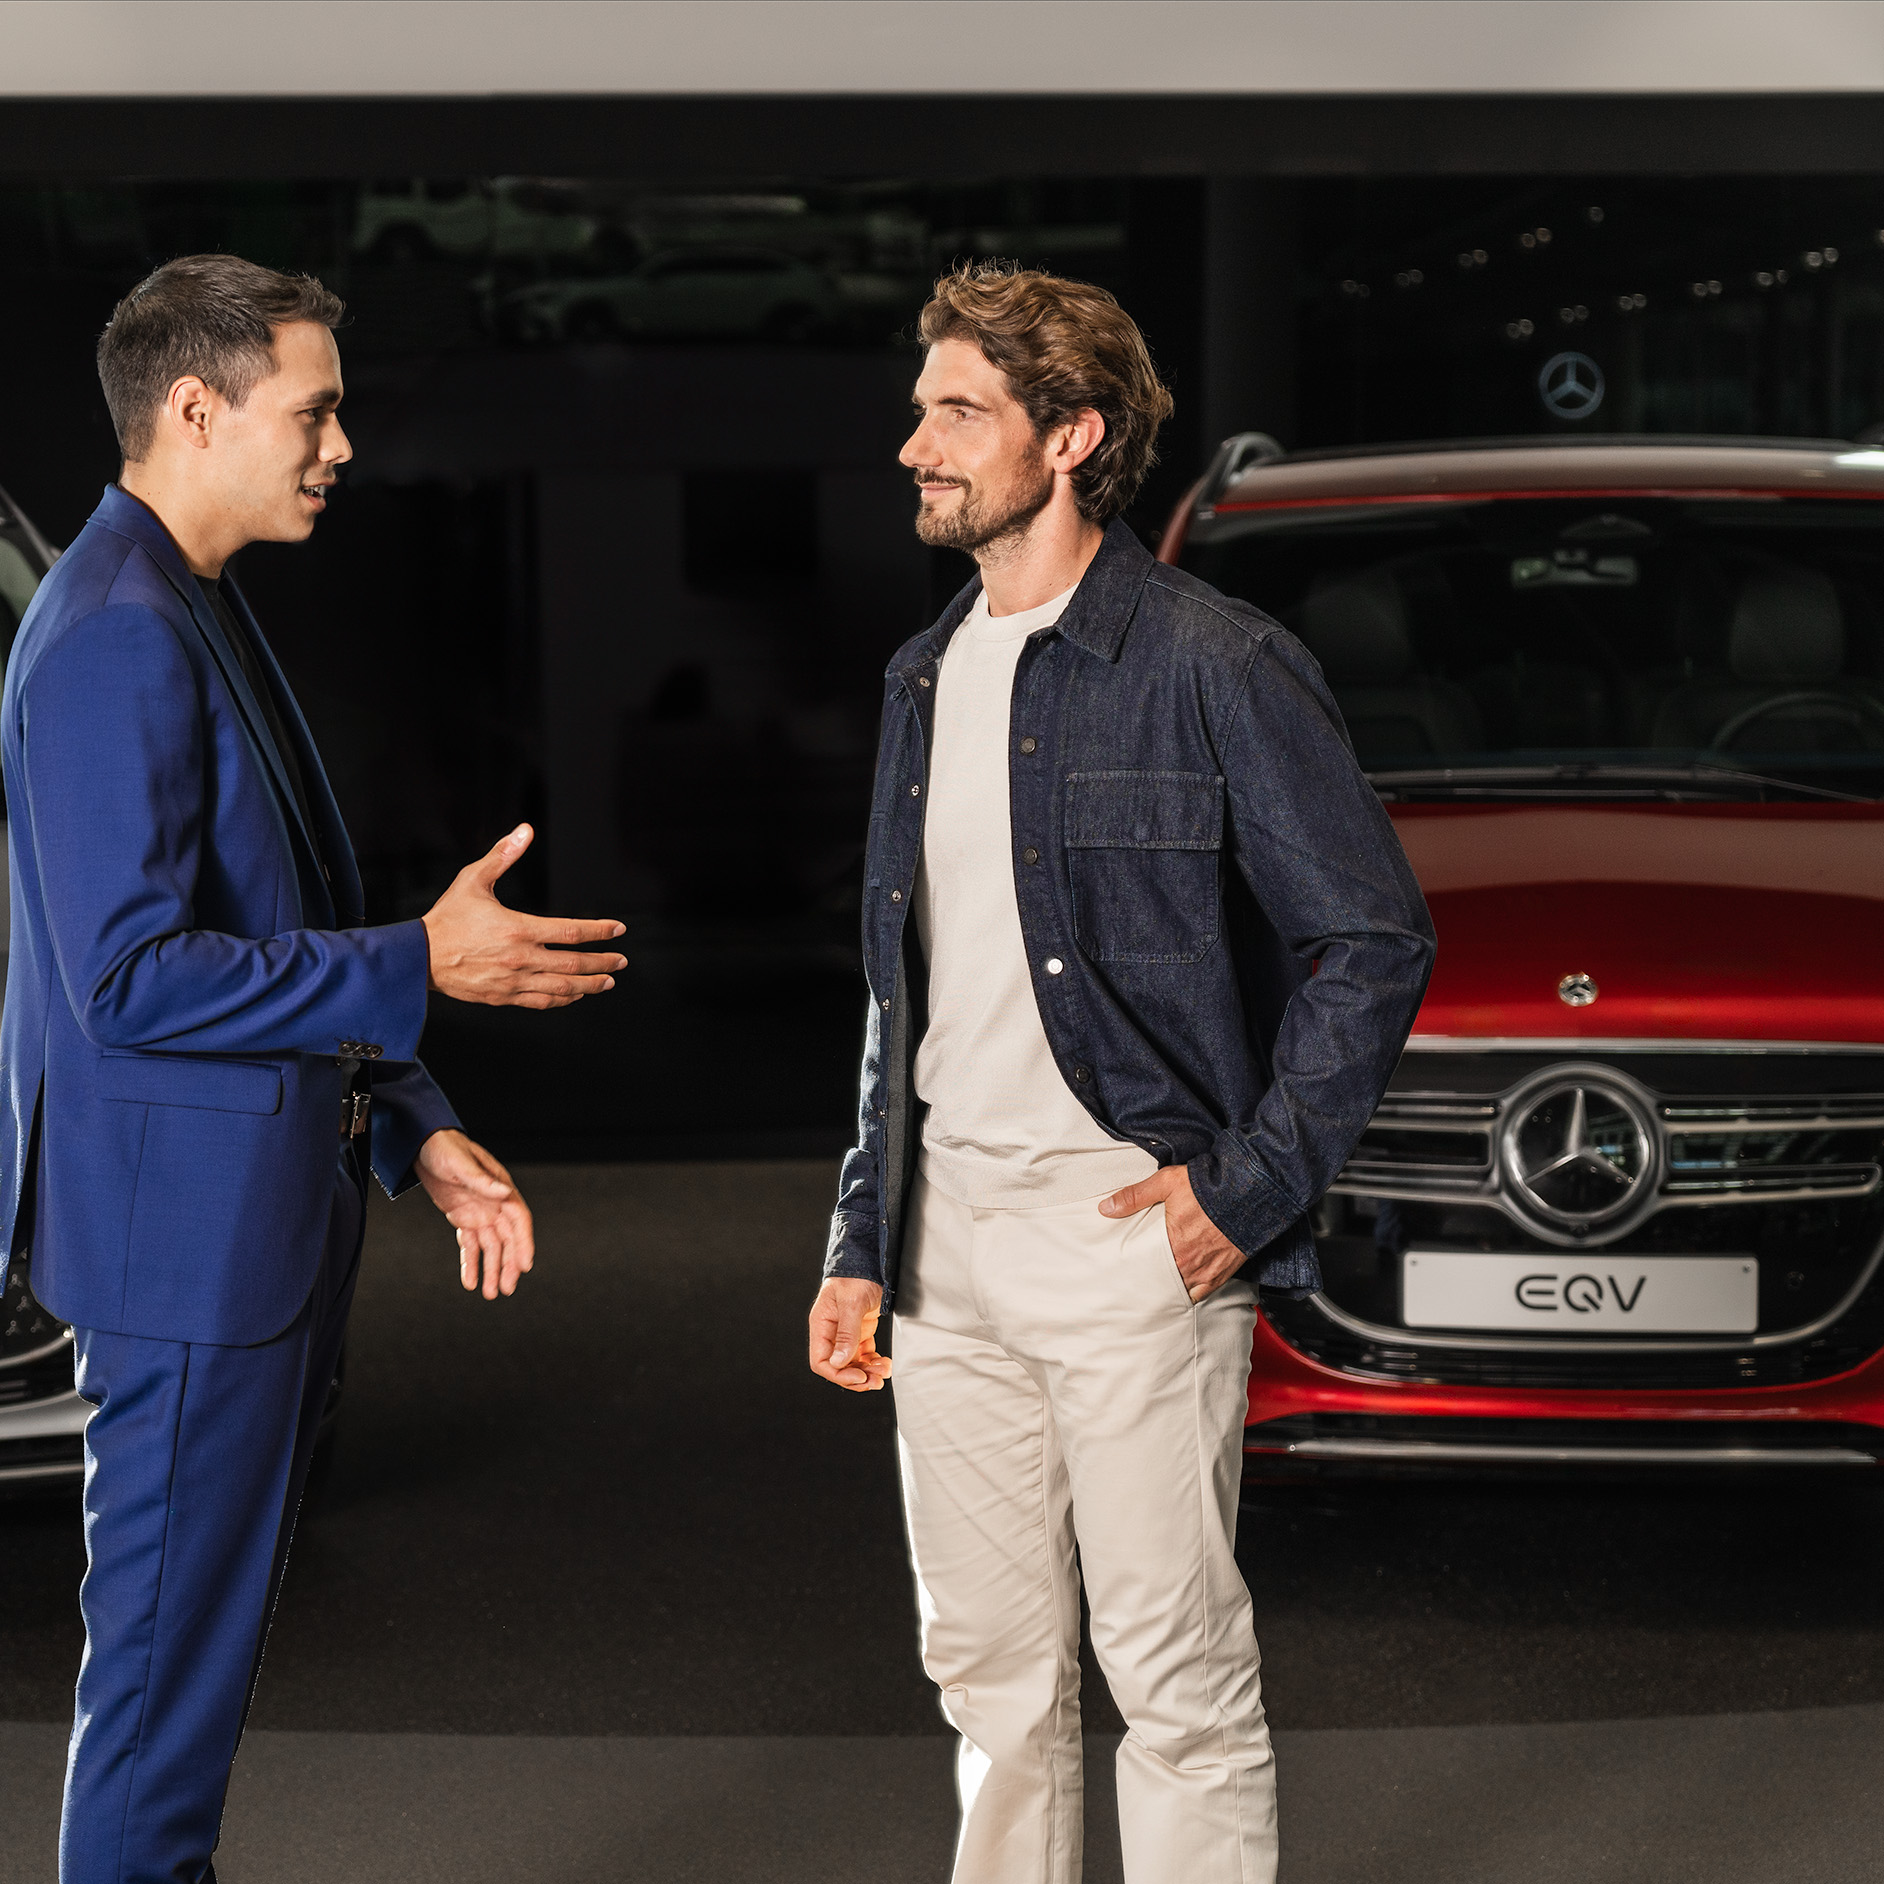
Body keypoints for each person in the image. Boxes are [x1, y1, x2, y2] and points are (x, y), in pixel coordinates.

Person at [0, 255, 629, 1884]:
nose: (342, 444)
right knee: (154, 1697)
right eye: (318, 407)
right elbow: (132, 978)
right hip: (188, 1259)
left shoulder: (185, 598)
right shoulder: (115, 636)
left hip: (230, 1240)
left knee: (177, 1692)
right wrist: (426, 965)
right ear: (196, 409)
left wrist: (409, 1122)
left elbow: (265, 922)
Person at [807, 262, 1435, 1884]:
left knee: (1177, 1685)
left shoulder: (1214, 662)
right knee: (993, 1689)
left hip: (1130, 1245)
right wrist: (860, 1240)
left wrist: (1243, 1194)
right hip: (949, 1261)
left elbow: (1373, 940)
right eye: (921, 409)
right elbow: (904, 992)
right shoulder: (922, 677)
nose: (915, 447)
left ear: (1071, 435)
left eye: (958, 412)